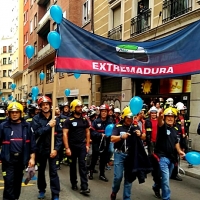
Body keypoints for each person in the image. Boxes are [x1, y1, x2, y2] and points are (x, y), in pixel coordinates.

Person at [0, 102, 36, 200]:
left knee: (17, 184)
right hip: (8, 160)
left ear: (21, 113)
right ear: (9, 113)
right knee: (8, 184)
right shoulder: (3, 126)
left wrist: (32, 158)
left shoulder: (27, 126)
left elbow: (32, 144)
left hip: (21, 160)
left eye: (16, 112)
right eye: (12, 112)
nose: (14, 114)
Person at [32, 96, 62, 200]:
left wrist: (56, 149)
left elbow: (59, 136)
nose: (45, 106)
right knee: (41, 171)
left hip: (52, 150)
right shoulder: (36, 119)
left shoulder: (55, 118)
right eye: (43, 105)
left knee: (53, 172)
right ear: (40, 106)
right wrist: (48, 126)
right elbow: (36, 133)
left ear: (50, 105)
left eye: (47, 104)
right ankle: (41, 190)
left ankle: (55, 194)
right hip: (41, 150)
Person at [153, 107, 185, 200]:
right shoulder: (163, 127)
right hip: (162, 157)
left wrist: (179, 151)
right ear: (165, 117)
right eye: (168, 116)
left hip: (172, 158)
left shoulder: (175, 129)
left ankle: (156, 186)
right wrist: (160, 116)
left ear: (175, 118)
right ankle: (166, 198)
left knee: (164, 179)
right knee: (166, 181)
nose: (170, 118)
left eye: (172, 117)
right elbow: (160, 122)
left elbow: (176, 142)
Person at [63, 99, 90, 194]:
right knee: (73, 166)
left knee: (83, 166)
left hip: (82, 146)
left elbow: (87, 132)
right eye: (78, 107)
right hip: (72, 146)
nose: (80, 108)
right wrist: (67, 148)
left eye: (81, 107)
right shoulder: (68, 121)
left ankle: (84, 187)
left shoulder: (84, 120)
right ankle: (74, 183)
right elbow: (65, 134)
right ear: (73, 108)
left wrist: (87, 145)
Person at [89, 104, 113, 181]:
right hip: (97, 142)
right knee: (94, 157)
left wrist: (109, 136)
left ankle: (102, 174)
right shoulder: (96, 121)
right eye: (102, 111)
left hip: (106, 142)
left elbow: (113, 131)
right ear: (100, 112)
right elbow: (92, 132)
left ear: (107, 112)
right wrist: (100, 135)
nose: (104, 113)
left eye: (105, 111)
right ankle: (91, 172)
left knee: (103, 159)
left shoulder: (110, 122)